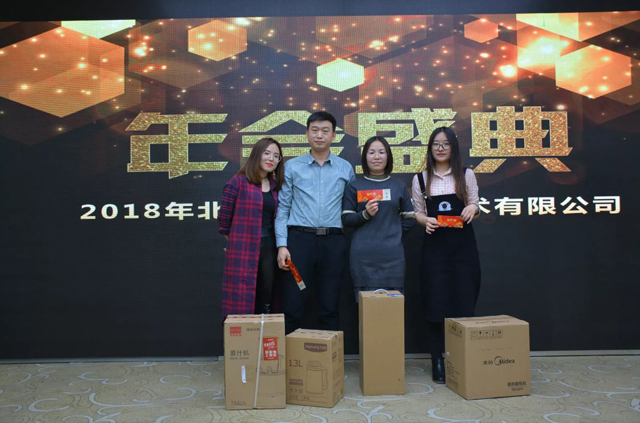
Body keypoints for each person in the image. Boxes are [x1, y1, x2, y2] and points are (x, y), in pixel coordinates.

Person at [412, 126, 481, 384]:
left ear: (453, 147)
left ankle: (462, 358)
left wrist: (472, 209)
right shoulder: (420, 179)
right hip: (434, 251)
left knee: (464, 302)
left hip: (463, 250)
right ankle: (437, 360)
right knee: (435, 304)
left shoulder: (466, 174)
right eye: (435, 144)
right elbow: (418, 212)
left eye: (445, 144)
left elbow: (475, 204)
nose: (440, 149)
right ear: (430, 148)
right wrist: (424, 221)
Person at [275, 111, 355, 334]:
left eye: (325, 131)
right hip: (299, 241)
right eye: (315, 130)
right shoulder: (292, 167)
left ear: (334, 135)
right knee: (293, 302)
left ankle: (330, 355)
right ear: (307, 134)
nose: (320, 135)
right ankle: (290, 354)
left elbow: (351, 208)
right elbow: (282, 209)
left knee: (330, 304)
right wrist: (282, 245)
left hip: (334, 242)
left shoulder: (345, 168)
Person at [342, 136, 415, 300]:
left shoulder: (398, 186)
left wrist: (393, 233)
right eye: (371, 152)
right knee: (366, 307)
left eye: (381, 152)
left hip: (393, 258)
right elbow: (346, 220)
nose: (376, 157)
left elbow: (410, 219)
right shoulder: (355, 187)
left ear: (388, 156)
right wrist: (365, 214)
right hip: (363, 258)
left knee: (392, 308)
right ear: (364, 157)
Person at [218, 137, 284, 318]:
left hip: (270, 248)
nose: (271, 159)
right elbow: (224, 220)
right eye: (267, 153)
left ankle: (267, 331)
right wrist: (235, 242)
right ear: (257, 154)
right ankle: (243, 334)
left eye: (276, 156)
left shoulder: (276, 186)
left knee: (268, 294)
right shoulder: (238, 182)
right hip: (243, 248)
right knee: (241, 297)